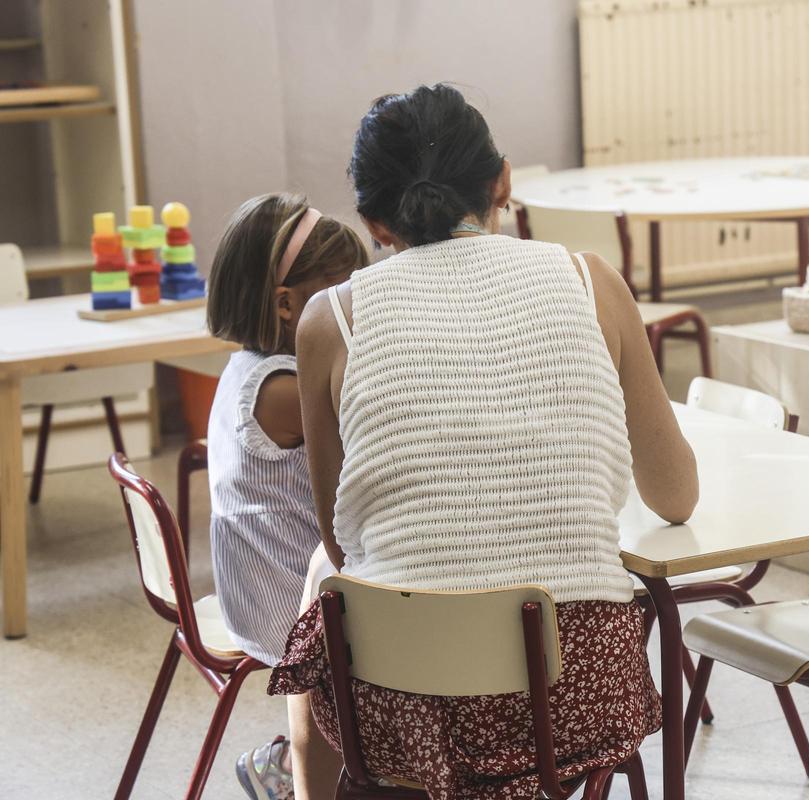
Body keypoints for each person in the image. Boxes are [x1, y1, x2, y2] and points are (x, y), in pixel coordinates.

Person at [269, 84, 699, 800]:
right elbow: (676, 498)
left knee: (327, 608)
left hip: (406, 697)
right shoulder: (590, 280)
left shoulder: (328, 320)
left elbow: (343, 540)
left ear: (373, 222)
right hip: (575, 690)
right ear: (503, 179)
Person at [205, 193, 368, 799]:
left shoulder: (252, 365)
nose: (359, 302)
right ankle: (309, 762)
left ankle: (289, 755)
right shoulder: (283, 388)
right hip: (284, 604)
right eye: (344, 289)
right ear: (286, 304)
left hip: (259, 582)